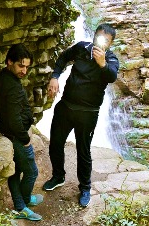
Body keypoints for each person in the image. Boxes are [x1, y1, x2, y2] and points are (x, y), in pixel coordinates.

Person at [43, 23, 120, 207]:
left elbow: (112, 77)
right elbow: (63, 58)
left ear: (110, 44)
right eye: (99, 37)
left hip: (88, 113)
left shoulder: (110, 60)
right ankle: (58, 176)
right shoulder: (81, 48)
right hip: (66, 106)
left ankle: (85, 187)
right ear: (94, 36)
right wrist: (55, 76)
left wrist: (102, 64)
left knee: (83, 150)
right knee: (55, 143)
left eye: (106, 41)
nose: (101, 43)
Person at [0, 43, 43, 220]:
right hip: (15, 135)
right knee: (31, 172)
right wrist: (25, 139)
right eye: (21, 65)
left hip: (5, 132)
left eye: (27, 67)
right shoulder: (12, 86)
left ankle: (22, 203)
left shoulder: (0, 79)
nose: (24, 71)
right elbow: (14, 118)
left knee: (16, 170)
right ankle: (23, 203)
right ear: (9, 62)